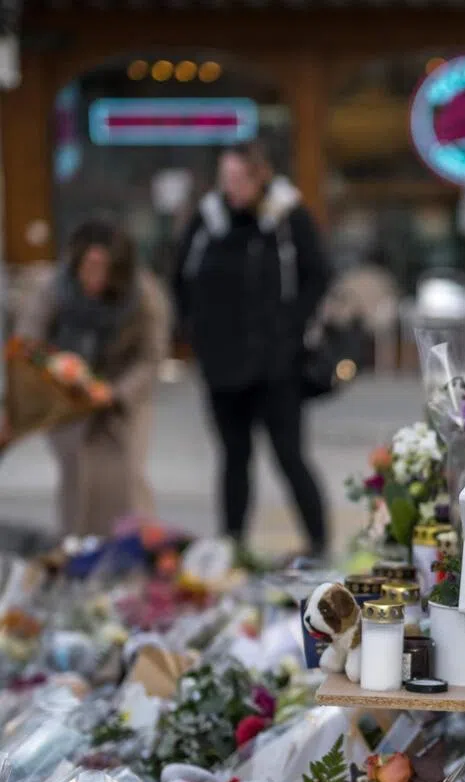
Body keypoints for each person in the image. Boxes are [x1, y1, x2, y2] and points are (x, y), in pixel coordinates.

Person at [175, 141, 331, 559]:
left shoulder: (287, 217)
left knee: (289, 455)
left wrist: (289, 330)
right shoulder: (208, 220)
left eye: (240, 179)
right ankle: (233, 546)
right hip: (222, 365)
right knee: (233, 459)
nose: (232, 188)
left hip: (277, 366)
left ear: (260, 176)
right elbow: (181, 279)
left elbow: (317, 276)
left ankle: (318, 543)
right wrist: (197, 335)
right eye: (226, 179)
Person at [13, 219, 170, 536]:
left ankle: (133, 548)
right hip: (66, 396)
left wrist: (116, 392)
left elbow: (150, 356)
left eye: (102, 267)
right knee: (78, 474)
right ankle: (77, 550)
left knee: (125, 475)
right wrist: (59, 372)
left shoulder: (143, 296)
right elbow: (28, 342)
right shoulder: (56, 289)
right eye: (88, 265)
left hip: (120, 394)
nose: (93, 275)